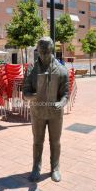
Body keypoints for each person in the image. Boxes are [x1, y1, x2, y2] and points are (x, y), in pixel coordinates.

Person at [23, 37, 69, 182]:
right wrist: (35, 96)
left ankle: (55, 168)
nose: (43, 55)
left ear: (52, 50)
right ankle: (36, 167)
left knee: (55, 142)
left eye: (46, 52)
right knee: (37, 141)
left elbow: (65, 95)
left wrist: (61, 103)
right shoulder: (31, 70)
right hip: (37, 112)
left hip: (55, 113)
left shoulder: (62, 70)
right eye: (40, 52)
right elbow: (25, 94)